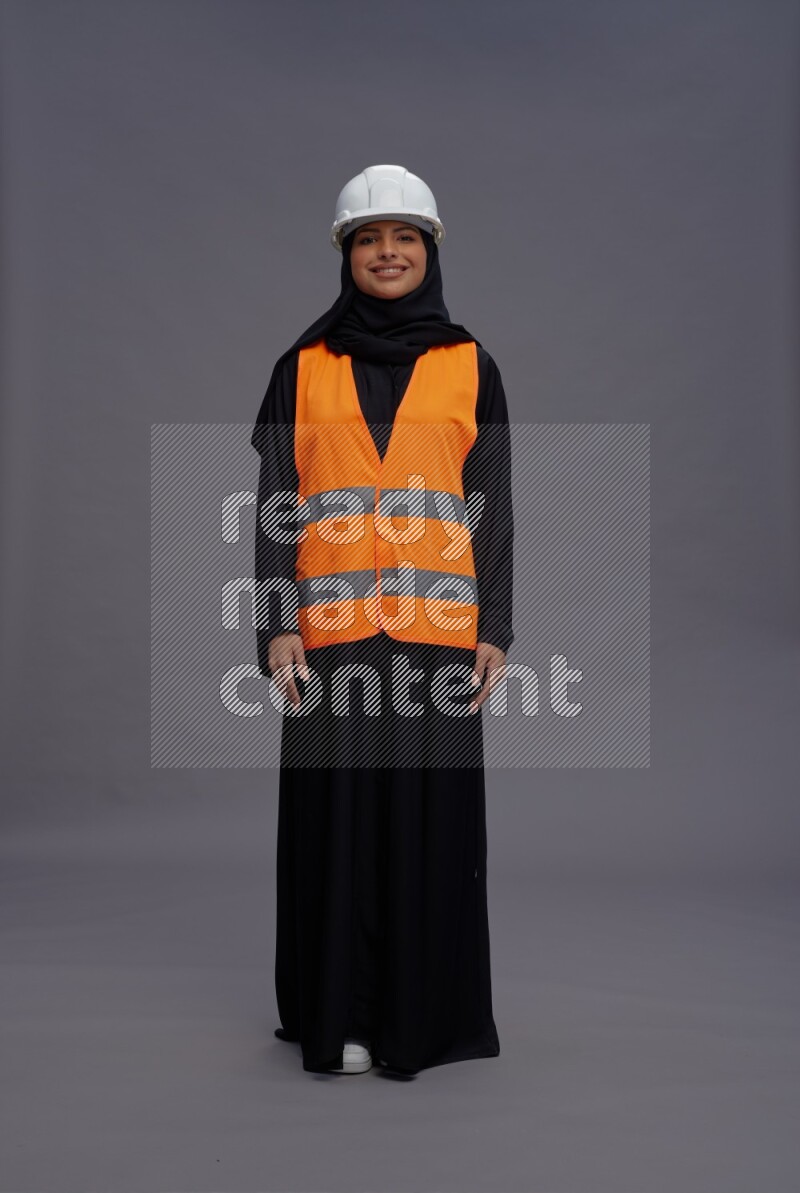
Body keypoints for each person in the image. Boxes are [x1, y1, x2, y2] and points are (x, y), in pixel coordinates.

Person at [251, 165, 514, 1076]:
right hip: (328, 641)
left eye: (405, 237)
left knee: (426, 830)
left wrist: (496, 626)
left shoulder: (472, 365)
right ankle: (342, 1016)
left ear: (430, 251)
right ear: (346, 254)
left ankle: (419, 1020)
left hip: (438, 641)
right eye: (370, 238)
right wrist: (275, 623)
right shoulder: (301, 368)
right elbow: (276, 504)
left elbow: (491, 505)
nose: (388, 252)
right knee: (335, 831)